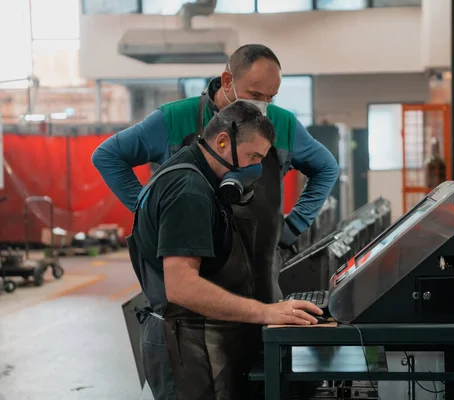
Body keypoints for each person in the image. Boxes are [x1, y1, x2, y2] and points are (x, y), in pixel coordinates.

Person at [92, 44, 339, 305]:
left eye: (270, 97)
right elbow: (107, 156)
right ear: (227, 80)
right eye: (255, 94)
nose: (263, 105)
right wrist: (150, 214)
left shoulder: (283, 123)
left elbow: (327, 168)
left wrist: (294, 226)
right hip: (190, 281)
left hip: (260, 277)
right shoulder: (175, 119)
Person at [128, 101, 323, 400]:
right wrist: (265, 311)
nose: (255, 169)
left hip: (193, 339)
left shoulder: (196, 176)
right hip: (185, 349)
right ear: (222, 141)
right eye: (253, 156)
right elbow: (182, 287)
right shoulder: (188, 191)